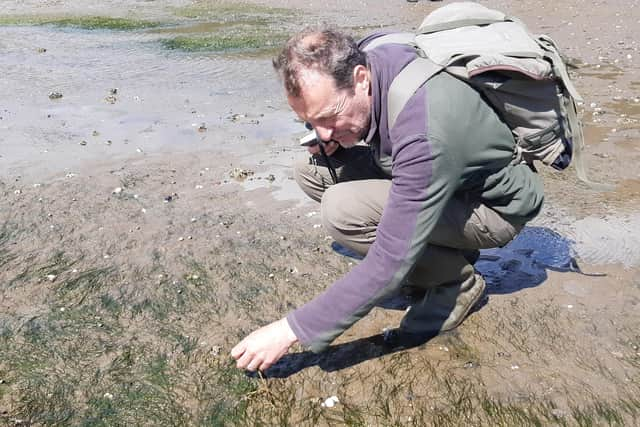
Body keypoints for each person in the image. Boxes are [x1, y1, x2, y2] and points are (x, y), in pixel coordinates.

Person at [231, 29, 543, 372]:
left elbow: (389, 261)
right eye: (310, 121)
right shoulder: (369, 53)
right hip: (447, 180)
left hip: (491, 208)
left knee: (342, 210)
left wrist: (290, 329)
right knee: (312, 169)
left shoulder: (425, 131)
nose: (321, 132)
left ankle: (455, 282)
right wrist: (337, 133)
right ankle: (440, 252)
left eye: (328, 115)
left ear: (360, 79)